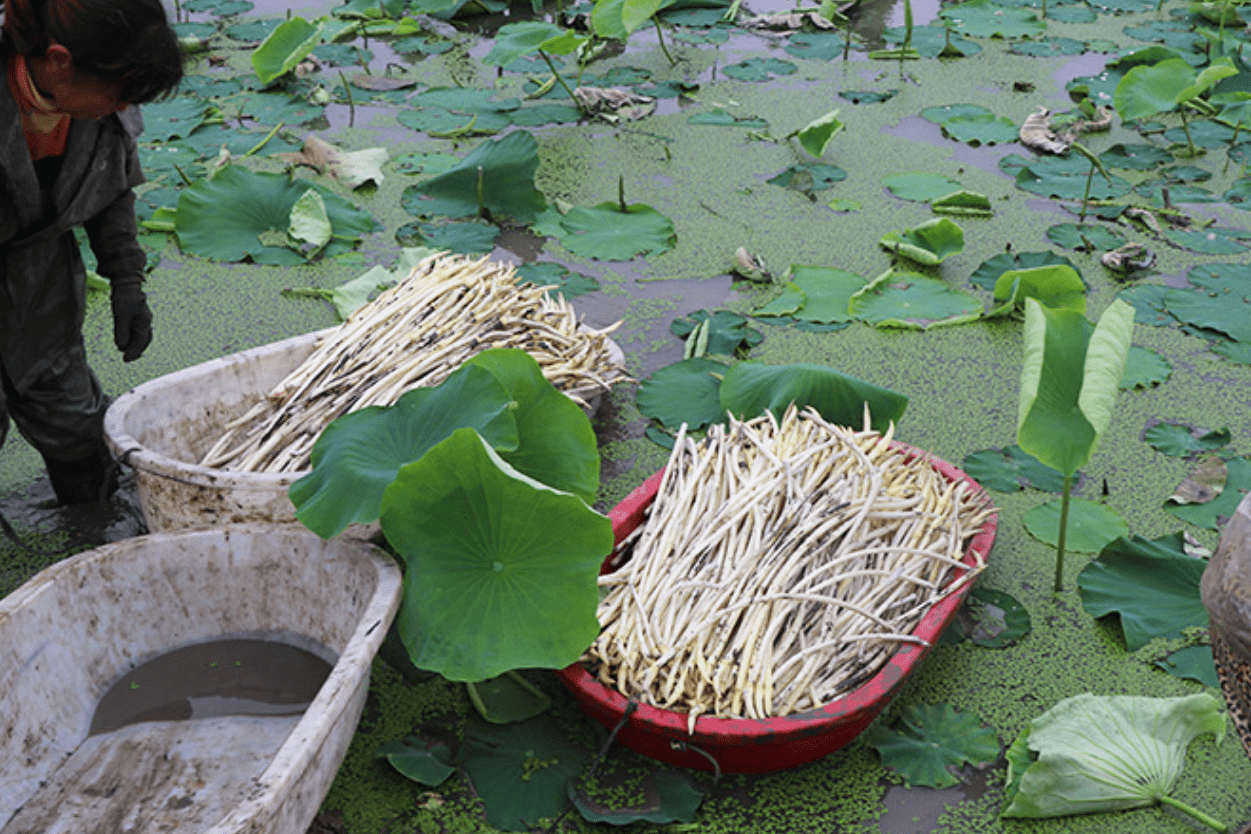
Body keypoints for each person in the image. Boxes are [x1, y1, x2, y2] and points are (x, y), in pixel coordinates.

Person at [0, 0, 182, 505]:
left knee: (77, 428)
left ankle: (96, 525)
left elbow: (112, 185)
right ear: (59, 61)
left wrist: (126, 280)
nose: (123, 108)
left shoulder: (103, 97)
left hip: (41, 282)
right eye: (117, 95)